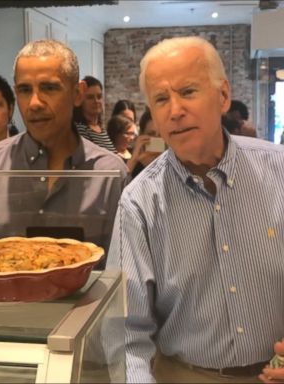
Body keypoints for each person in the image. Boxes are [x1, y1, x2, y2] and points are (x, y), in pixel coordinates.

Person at [106, 35, 284, 383]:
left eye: (188, 92)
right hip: (186, 375)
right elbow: (126, 334)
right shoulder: (139, 203)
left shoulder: (278, 171)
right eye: (161, 99)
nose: (175, 110)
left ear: (222, 95)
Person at [0, 40, 127, 258]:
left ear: (77, 93)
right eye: (24, 90)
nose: (34, 103)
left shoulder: (110, 174)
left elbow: (122, 265)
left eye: (49, 88)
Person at [73, 75, 116, 152]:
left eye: (99, 97)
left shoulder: (101, 130)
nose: (96, 101)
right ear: (81, 100)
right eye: (90, 97)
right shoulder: (80, 129)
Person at [128, 107, 164, 177]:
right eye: (151, 134)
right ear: (141, 135)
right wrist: (133, 160)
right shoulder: (132, 165)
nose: (156, 140)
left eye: (161, 135)